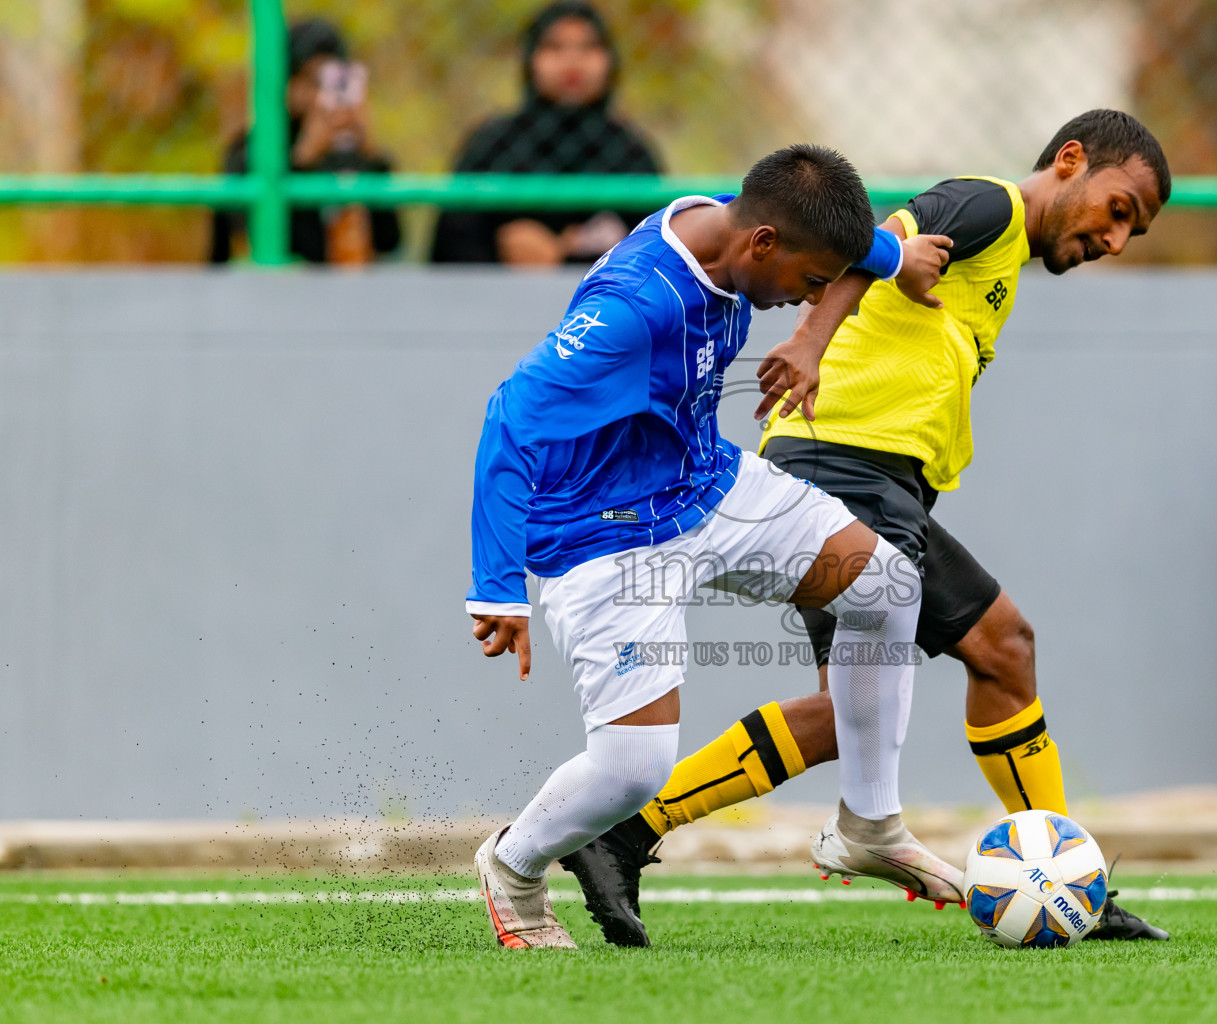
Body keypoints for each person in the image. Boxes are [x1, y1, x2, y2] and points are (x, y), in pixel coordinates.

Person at [561, 109, 1174, 946]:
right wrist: (810, 339)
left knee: (869, 701)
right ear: (1071, 161)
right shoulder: (988, 205)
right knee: (1000, 647)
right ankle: (1073, 883)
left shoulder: (1002, 267)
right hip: (847, 465)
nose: (1118, 239)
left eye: (1133, 229)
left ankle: (628, 830)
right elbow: (871, 240)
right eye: (1119, 209)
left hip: (869, 475)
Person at [467, 144, 959, 950]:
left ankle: (870, 826)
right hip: (605, 533)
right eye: (808, 283)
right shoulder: (635, 307)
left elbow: (841, 241)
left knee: (884, 588)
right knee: (633, 771)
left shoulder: (749, 221)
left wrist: (896, 257)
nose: (811, 299)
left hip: (708, 487)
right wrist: (496, 584)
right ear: (763, 245)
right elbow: (509, 418)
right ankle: (514, 864)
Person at [430, 1, 661, 266]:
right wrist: (504, 251)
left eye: (588, 47)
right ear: (531, 59)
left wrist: (568, 255)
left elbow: (659, 255)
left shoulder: (630, 151)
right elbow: (448, 246)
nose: (572, 61)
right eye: (554, 47)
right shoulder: (493, 144)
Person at [210, 18, 401, 265]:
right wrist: (302, 159)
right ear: (289, 83)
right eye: (313, 81)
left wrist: (371, 155)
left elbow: (389, 243)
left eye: (332, 82)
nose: (320, 95)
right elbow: (256, 241)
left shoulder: (351, 154)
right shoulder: (249, 152)